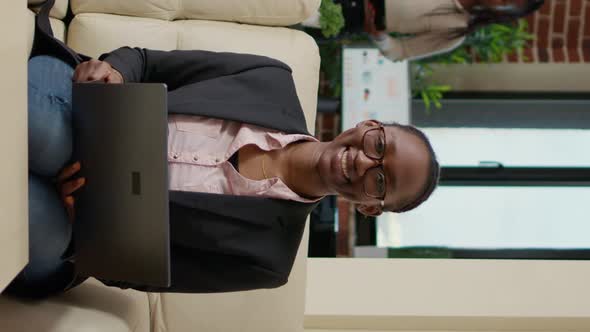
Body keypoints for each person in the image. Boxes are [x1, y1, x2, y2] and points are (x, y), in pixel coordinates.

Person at [4, 0, 440, 299]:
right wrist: (112, 71)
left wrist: (89, 224)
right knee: (52, 136)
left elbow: (138, 275)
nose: (364, 161)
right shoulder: (270, 81)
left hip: (70, 223)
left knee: (30, 220)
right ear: (369, 125)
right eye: (379, 144)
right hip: (74, 104)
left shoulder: (268, 263)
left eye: (380, 179)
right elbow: (144, 61)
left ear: (369, 208)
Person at [364, 0, 545, 61]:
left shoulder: (456, 30)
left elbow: (401, 51)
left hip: (357, 14)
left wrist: (378, 35)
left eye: (505, 2)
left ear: (501, 13)